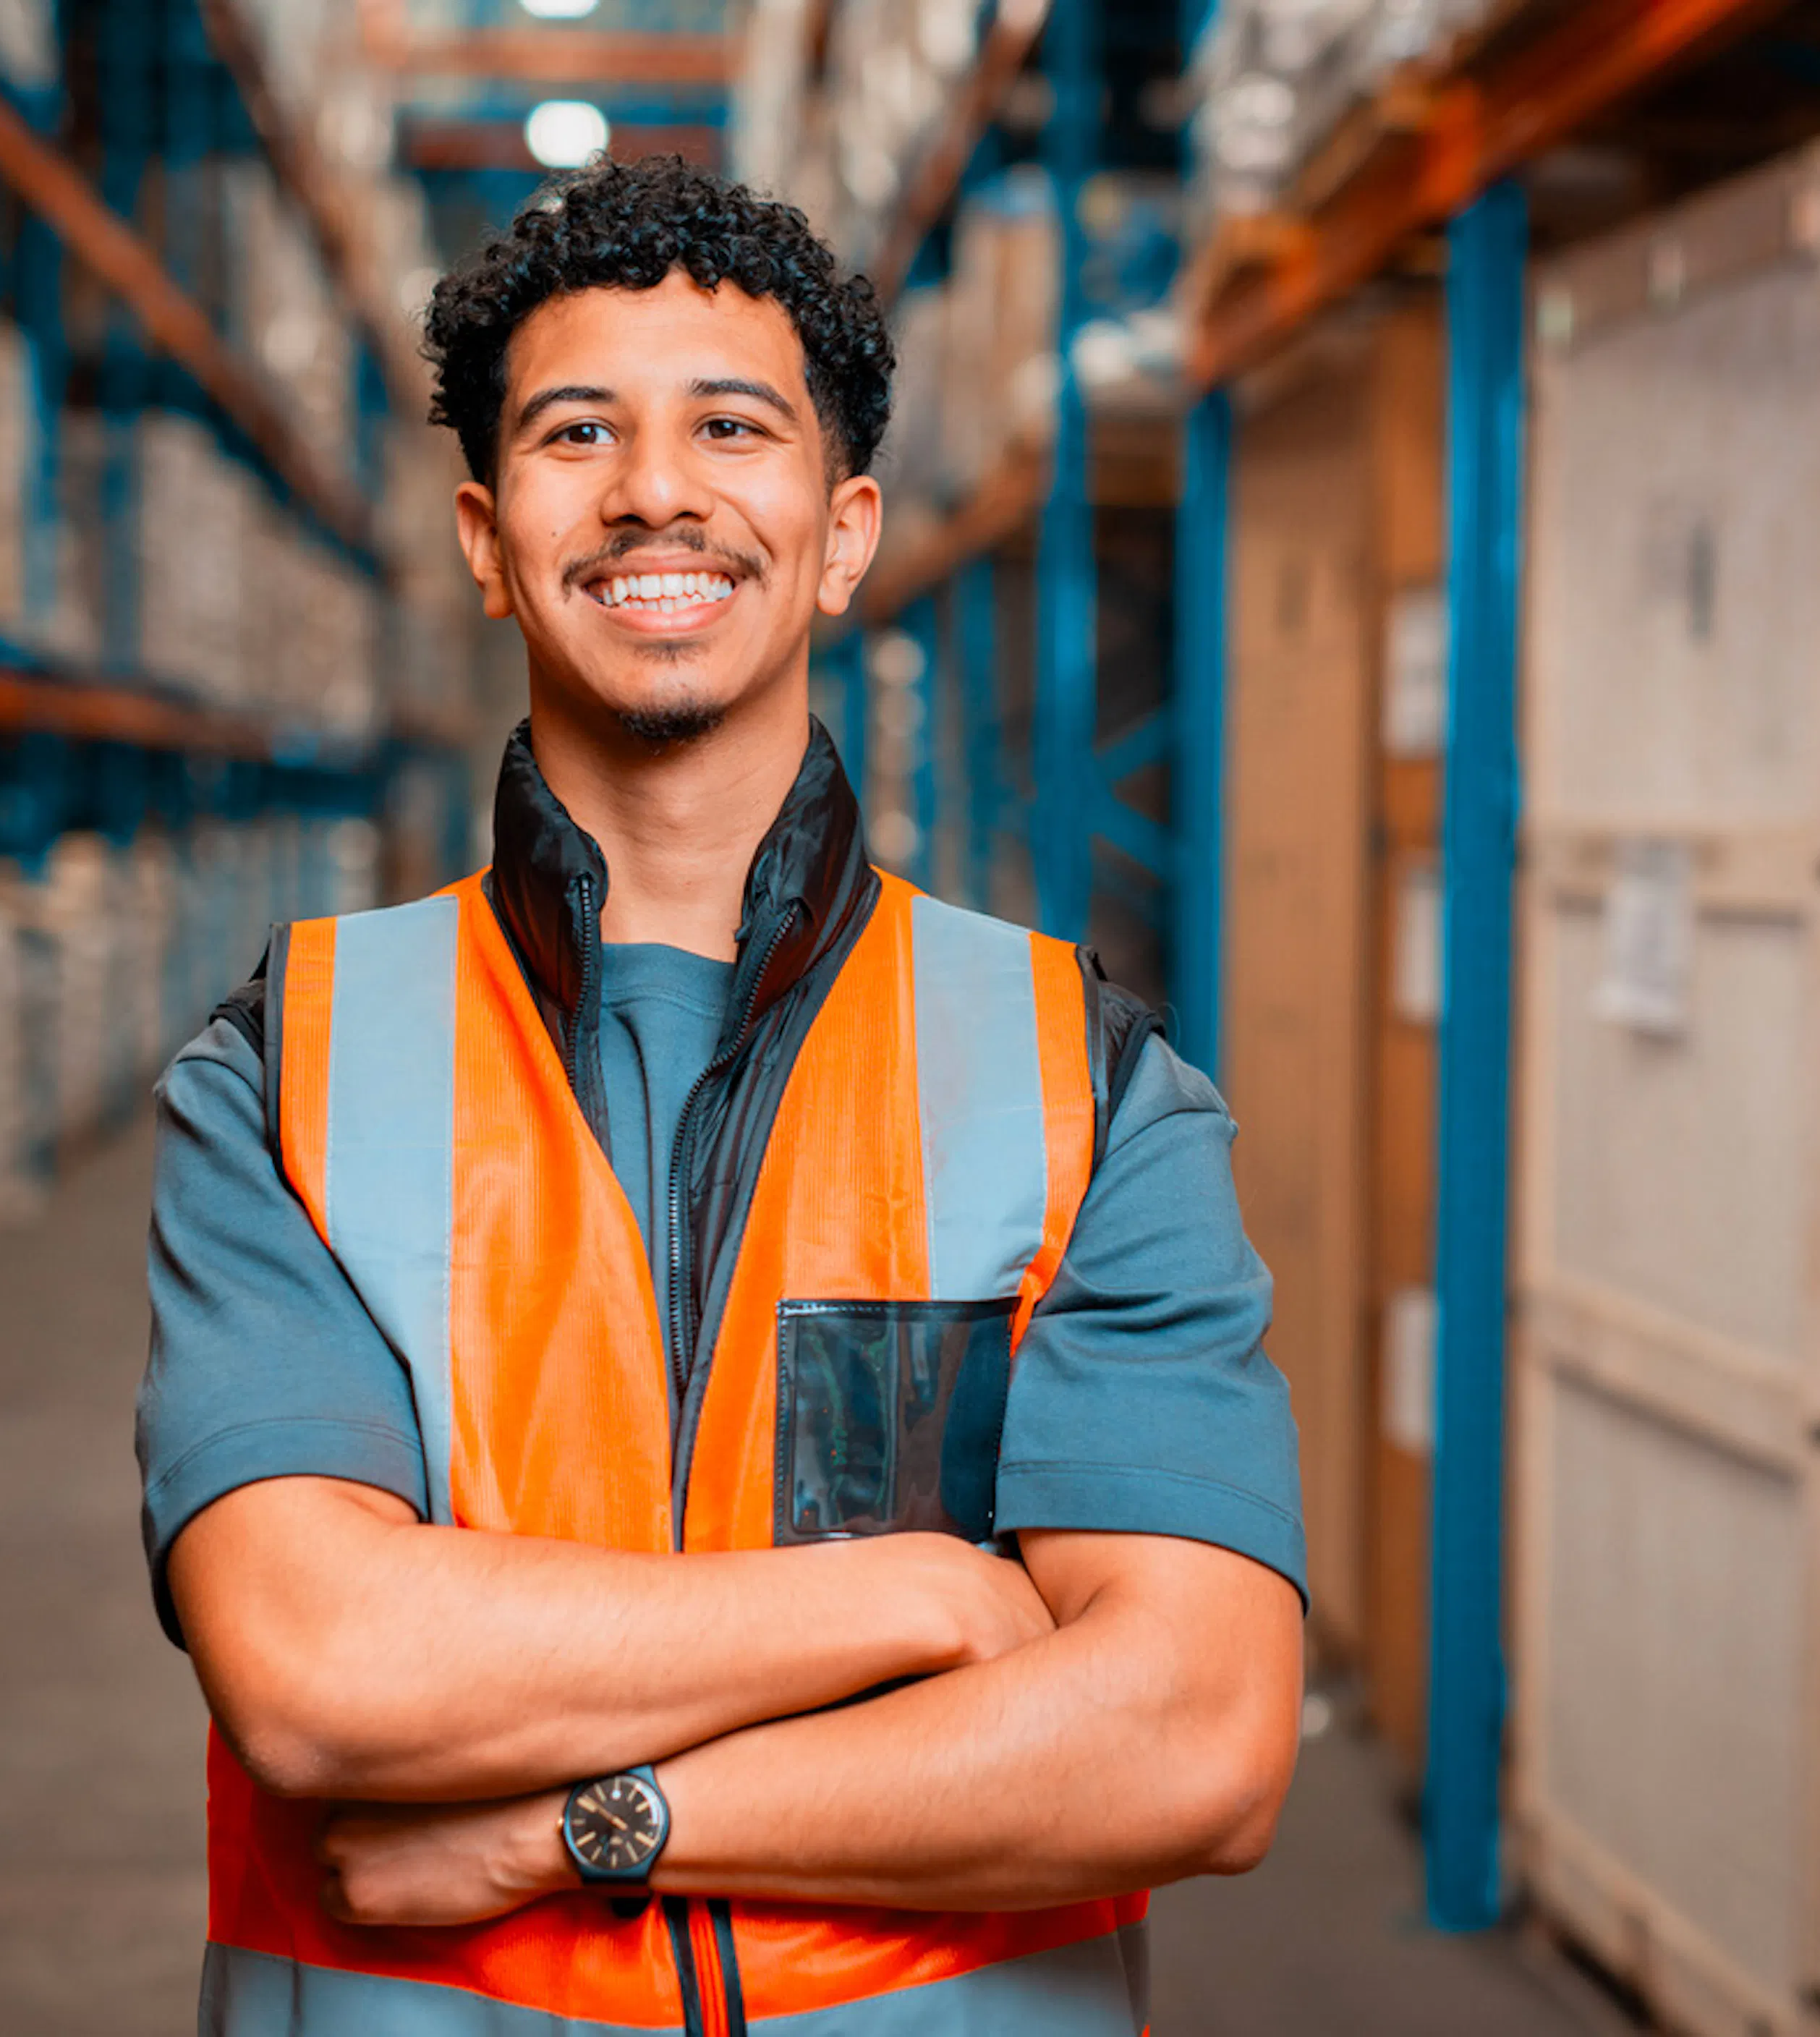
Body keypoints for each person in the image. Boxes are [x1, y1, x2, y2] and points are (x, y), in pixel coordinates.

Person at [138, 154, 1306, 2036]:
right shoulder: (296, 1066)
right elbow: (323, 1666)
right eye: (577, 431)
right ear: (484, 533)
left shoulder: (1083, 1079)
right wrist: (914, 1597)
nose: (656, 490)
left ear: (843, 532)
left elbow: (1195, 1738)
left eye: (733, 429)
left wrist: (593, 1827)